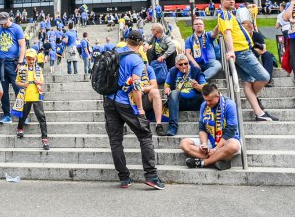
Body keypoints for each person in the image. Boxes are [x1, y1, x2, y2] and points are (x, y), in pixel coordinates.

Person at [102, 29, 164, 189]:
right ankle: (151, 176)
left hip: (108, 101)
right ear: (141, 44)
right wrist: (140, 108)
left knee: (115, 141)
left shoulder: (114, 52)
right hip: (125, 102)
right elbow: (136, 86)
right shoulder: (135, 60)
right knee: (145, 135)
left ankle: (124, 178)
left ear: (127, 40)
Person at [213, 0, 276, 122]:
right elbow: (227, 33)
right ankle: (254, 99)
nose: (232, 1)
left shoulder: (227, 14)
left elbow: (219, 29)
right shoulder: (224, 14)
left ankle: (259, 113)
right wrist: (230, 50)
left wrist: (213, 34)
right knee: (265, 77)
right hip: (242, 52)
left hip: (242, 51)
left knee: (247, 83)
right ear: (222, 2)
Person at [179, 82, 241, 170]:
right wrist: (204, 144)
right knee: (184, 144)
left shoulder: (229, 104)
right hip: (211, 139)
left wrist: (216, 149)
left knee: (233, 146)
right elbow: (202, 128)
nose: (207, 103)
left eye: (210, 100)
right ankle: (217, 160)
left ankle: (203, 162)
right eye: (205, 100)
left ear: (218, 96)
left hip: (226, 141)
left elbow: (231, 131)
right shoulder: (204, 105)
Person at [12, 49, 48, 150]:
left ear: (35, 59)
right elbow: (17, 81)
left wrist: (38, 82)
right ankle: (20, 128)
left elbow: (42, 81)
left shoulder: (38, 69)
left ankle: (44, 138)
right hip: (26, 95)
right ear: (26, 59)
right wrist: (24, 84)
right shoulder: (22, 69)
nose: (31, 61)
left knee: (41, 117)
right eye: (29, 59)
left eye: (32, 59)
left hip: (36, 95)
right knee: (23, 114)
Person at [0, 12, 26, 123]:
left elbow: (22, 46)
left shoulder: (17, 28)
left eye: (4, 23)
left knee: (19, 89)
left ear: (8, 19)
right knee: (3, 90)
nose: (3, 25)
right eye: (0, 23)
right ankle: (7, 114)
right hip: (1, 64)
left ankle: (22, 115)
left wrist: (20, 63)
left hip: (14, 63)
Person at [163, 54, 207, 137]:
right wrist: (167, 89)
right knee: (174, 92)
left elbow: (206, 88)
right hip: (180, 103)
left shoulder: (196, 71)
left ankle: (206, 126)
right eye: (180, 64)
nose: (184, 66)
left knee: (207, 96)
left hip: (195, 101)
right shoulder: (172, 72)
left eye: (186, 63)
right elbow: (166, 86)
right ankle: (173, 127)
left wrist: (197, 86)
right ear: (176, 65)